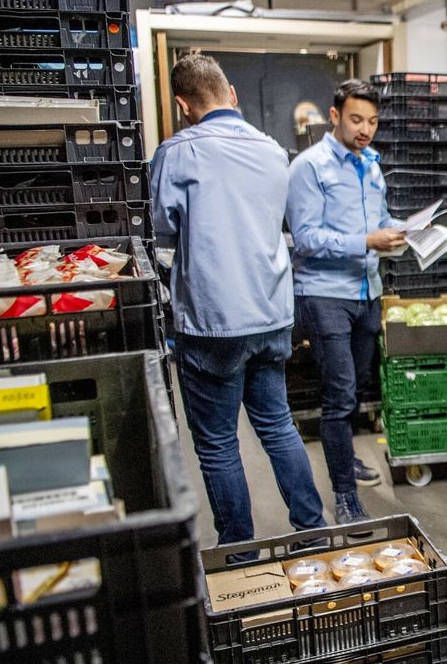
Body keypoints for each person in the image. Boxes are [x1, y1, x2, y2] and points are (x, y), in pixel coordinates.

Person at [150, 54, 327, 551]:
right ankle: (313, 535)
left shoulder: (178, 152)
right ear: (231, 95)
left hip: (213, 321)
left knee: (218, 442)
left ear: (184, 105)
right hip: (271, 315)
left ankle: (241, 552)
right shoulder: (273, 150)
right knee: (277, 426)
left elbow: (162, 229)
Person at [285, 79, 406, 523]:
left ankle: (344, 455)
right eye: (356, 119)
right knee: (338, 397)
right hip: (324, 296)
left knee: (354, 391)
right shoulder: (308, 167)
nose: (366, 129)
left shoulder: (371, 165)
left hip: (366, 292)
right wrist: (366, 240)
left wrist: (400, 232)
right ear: (334, 116)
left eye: (372, 121)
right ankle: (344, 495)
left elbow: (380, 220)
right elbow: (307, 238)